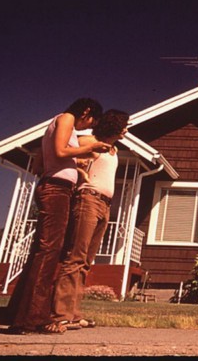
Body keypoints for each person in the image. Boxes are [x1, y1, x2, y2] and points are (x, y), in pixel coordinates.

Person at [6, 98, 110, 334]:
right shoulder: (66, 119)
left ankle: (19, 314)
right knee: (49, 251)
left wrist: (77, 169)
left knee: (43, 250)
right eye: (92, 120)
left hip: (54, 187)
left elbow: (41, 164)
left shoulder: (58, 126)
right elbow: (61, 150)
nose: (89, 126)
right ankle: (32, 320)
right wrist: (91, 148)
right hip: (56, 190)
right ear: (86, 112)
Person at [52, 109, 129, 330]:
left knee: (85, 263)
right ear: (114, 124)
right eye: (124, 124)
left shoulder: (113, 150)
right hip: (88, 200)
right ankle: (60, 315)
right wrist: (79, 170)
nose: (126, 128)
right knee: (75, 258)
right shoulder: (91, 140)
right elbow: (62, 149)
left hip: (105, 205)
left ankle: (74, 314)